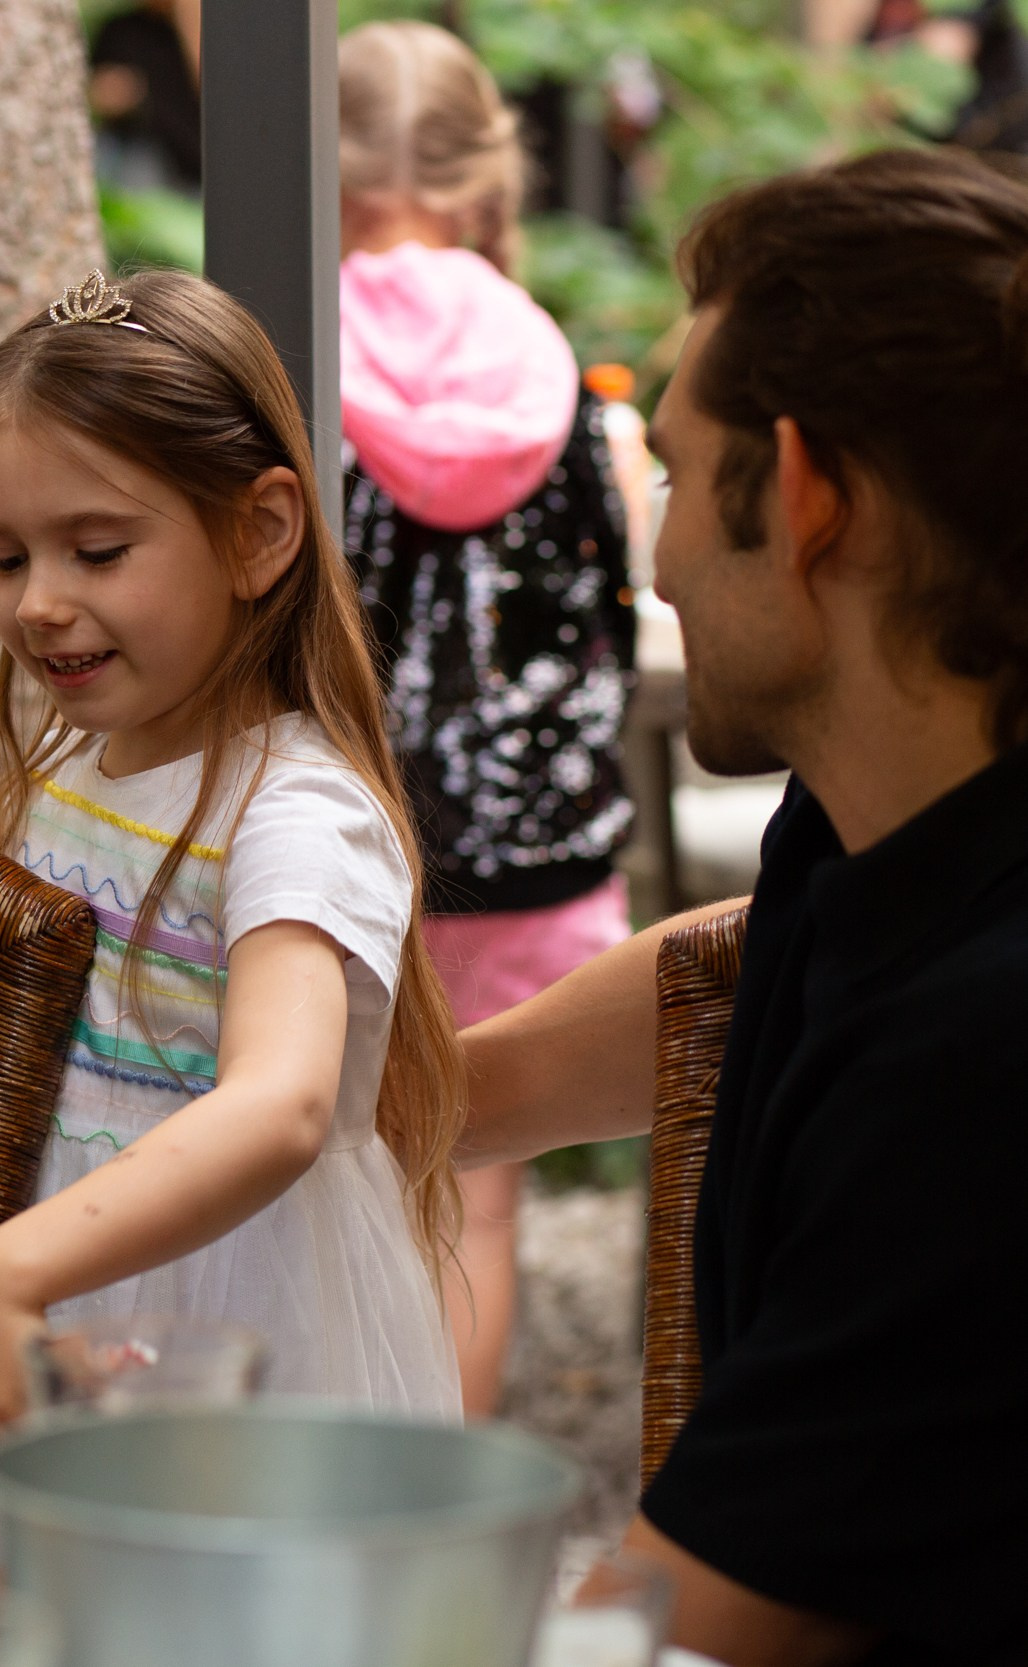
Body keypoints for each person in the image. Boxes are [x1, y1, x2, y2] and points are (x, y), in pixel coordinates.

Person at [460, 147, 1028, 1663]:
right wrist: (427, 1099)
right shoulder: (887, 809)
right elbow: (738, 960)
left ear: (802, 495)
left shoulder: (978, 1073)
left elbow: (658, 1629)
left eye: (666, 474)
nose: (652, 561)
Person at [0, 270, 467, 1548]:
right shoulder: (68, 773)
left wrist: (8, 1266)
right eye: (6, 557)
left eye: (97, 548)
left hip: (246, 1330)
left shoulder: (294, 807)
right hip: (88, 1305)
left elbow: (281, 1101)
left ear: (260, 531)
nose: (38, 601)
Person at [335, 20, 637, 1419]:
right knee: (481, 1196)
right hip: (543, 843)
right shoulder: (546, 358)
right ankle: (441, 1475)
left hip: (358, 836)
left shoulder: (301, 343)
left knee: (338, 1173)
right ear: (478, 174)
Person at [88, 0, 203, 193]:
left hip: (198, 162)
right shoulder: (120, 31)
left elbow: (218, 96)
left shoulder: (210, 29)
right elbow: (95, 94)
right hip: (146, 159)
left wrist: (190, 16)